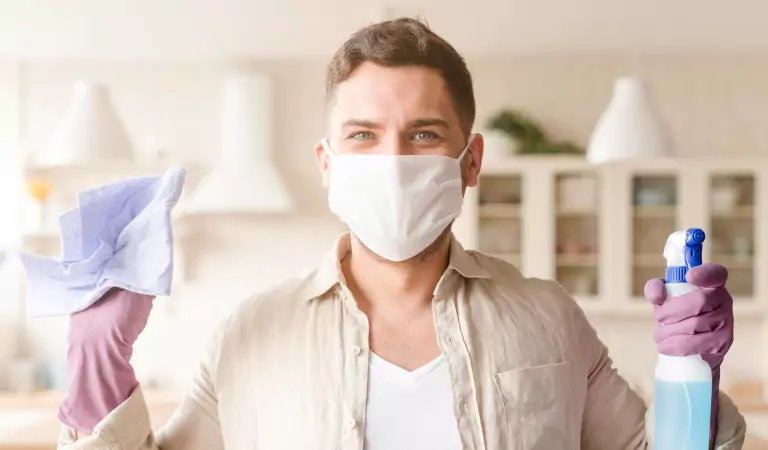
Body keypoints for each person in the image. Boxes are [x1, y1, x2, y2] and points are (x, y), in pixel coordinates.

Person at [56, 18, 744, 450]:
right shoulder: (250, 334)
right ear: (327, 166)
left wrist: (692, 377)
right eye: (362, 136)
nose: (391, 160)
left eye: (423, 134)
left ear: (469, 161)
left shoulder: (550, 318)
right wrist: (96, 363)